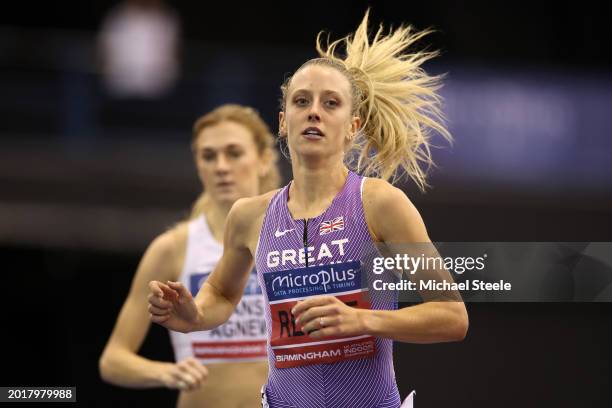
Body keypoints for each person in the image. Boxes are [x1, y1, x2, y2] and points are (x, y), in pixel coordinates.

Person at [148, 10, 469, 407]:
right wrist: (194, 315)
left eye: (330, 103)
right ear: (284, 122)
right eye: (302, 101)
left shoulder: (379, 203)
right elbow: (221, 292)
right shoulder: (250, 215)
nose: (313, 111)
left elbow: (452, 317)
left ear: (353, 126)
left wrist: (363, 320)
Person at [99, 104, 280, 408]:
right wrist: (166, 372)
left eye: (234, 153)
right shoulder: (173, 247)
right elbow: (113, 360)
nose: (221, 166)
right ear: (197, 164)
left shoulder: (293, 237)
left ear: (262, 160)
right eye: (209, 156)